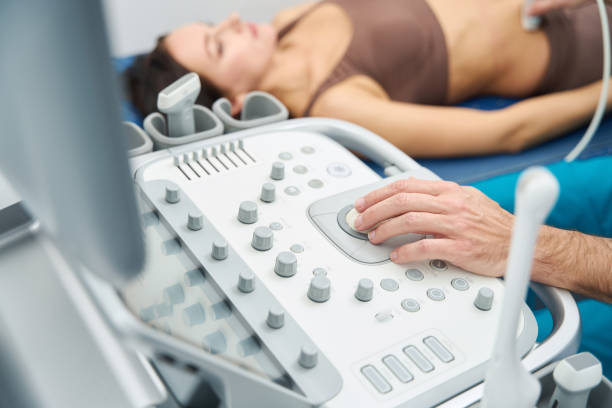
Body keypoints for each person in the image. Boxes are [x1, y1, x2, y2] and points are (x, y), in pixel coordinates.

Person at [125, 0, 612, 157]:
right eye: (219, 44)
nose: (232, 20)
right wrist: (605, 94)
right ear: (233, 104)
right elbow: (505, 132)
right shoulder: (337, 105)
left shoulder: (288, 21)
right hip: (583, 45)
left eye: (214, 26)